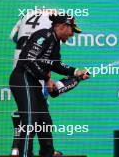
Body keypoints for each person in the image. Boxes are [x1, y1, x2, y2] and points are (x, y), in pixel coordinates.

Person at [9, 13, 89, 157]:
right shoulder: (44, 35)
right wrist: (46, 78)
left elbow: (56, 65)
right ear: (63, 26)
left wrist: (76, 72)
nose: (72, 35)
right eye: (72, 31)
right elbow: (28, 59)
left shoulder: (55, 42)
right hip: (22, 78)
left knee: (44, 120)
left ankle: (47, 153)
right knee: (30, 120)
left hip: (32, 81)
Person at [9, 9, 63, 156]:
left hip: (19, 63)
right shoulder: (51, 25)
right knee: (35, 113)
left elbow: (13, 36)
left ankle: (19, 149)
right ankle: (24, 151)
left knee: (30, 111)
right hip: (34, 68)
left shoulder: (26, 15)